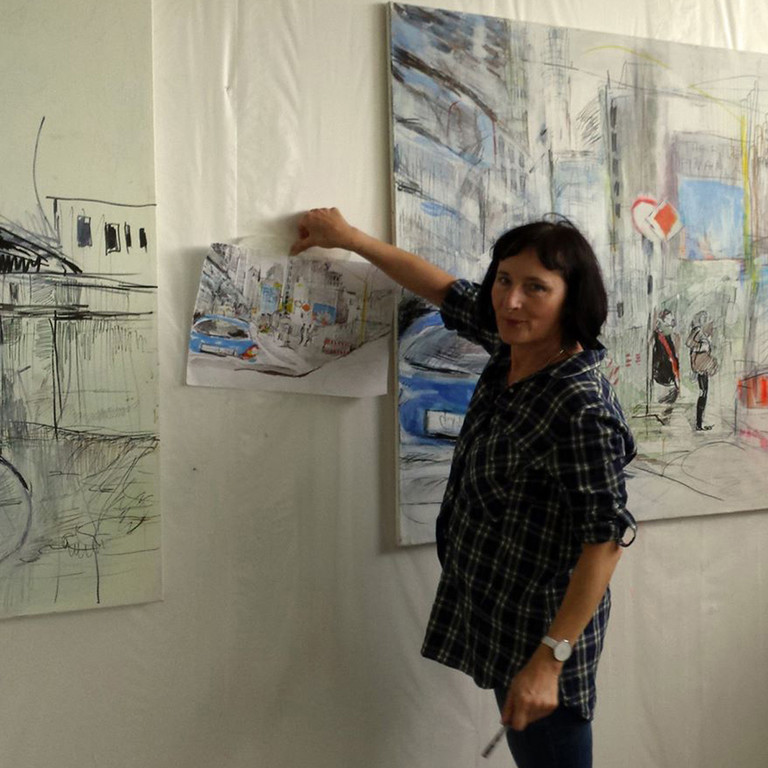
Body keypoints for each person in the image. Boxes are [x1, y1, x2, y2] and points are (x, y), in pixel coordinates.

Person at [291, 208, 637, 768]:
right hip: (500, 611)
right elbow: (441, 287)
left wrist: (549, 661)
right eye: (504, 280)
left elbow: (605, 541)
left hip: (542, 630)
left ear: (571, 300)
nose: (510, 301)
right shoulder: (513, 346)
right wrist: (348, 238)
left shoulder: (579, 406)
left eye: (535, 288)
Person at [686, 310, 718, 431]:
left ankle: (700, 422)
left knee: (704, 393)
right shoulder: (697, 331)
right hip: (700, 368)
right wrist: (702, 347)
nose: (707, 320)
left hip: (703, 368)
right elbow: (689, 343)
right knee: (703, 393)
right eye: (705, 318)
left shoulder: (702, 332)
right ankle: (699, 423)